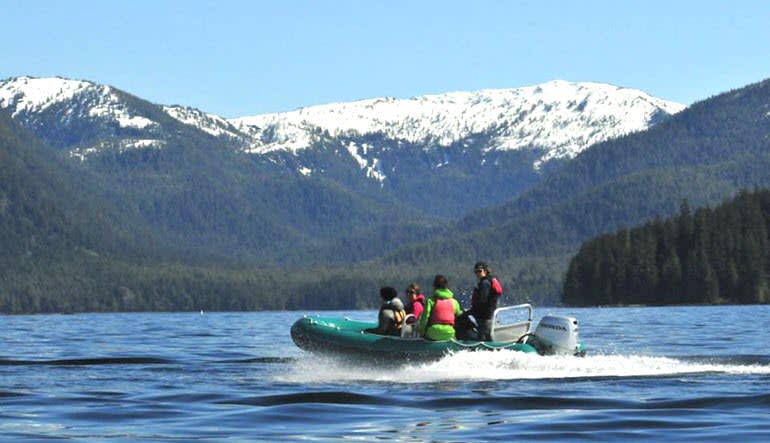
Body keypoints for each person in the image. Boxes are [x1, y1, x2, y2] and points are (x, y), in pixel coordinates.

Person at [459, 261, 503, 341]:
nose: (477, 273)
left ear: (486, 271)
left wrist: (472, 310)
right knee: (485, 332)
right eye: (476, 272)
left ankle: (473, 342)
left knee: (462, 318)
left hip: (483, 314)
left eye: (479, 271)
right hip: (488, 313)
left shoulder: (484, 283)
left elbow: (483, 300)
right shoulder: (490, 280)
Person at [417, 275, 463, 341]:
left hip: (433, 333)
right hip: (449, 333)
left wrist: (421, 332)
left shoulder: (430, 301)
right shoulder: (454, 302)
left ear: (434, 287)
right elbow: (459, 316)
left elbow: (425, 318)